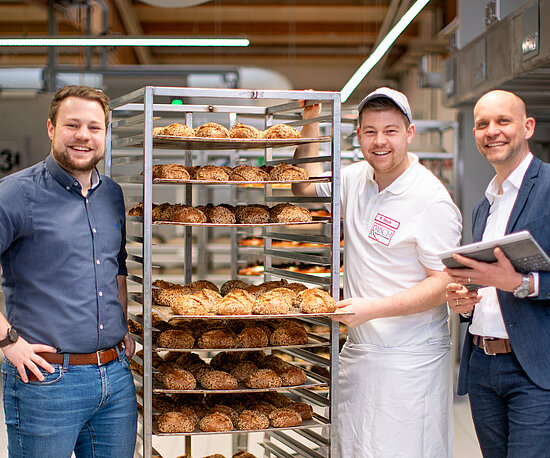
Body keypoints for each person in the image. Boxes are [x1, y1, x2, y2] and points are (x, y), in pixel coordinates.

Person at [293, 87, 462, 457]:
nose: (379, 141)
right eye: (370, 131)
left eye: (390, 130)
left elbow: (445, 282)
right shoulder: (356, 178)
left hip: (410, 360)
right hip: (361, 354)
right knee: (354, 449)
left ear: (410, 133)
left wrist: (373, 309)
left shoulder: (430, 199)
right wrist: (309, 122)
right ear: (358, 136)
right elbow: (304, 187)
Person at [0, 85, 137, 457]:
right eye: (72, 125)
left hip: (115, 378)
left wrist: (121, 320)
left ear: (105, 134)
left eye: (94, 127)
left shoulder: (112, 193)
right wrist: (9, 343)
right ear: (50, 128)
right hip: (46, 381)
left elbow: (117, 264)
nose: (83, 136)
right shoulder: (14, 194)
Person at [445, 90, 550, 458]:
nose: (492, 131)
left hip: (534, 370)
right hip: (482, 367)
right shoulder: (483, 206)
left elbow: (510, 279)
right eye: (482, 124)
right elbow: (487, 281)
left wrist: (520, 284)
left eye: (503, 121)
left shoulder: (549, 187)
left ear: (528, 126)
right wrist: (465, 304)